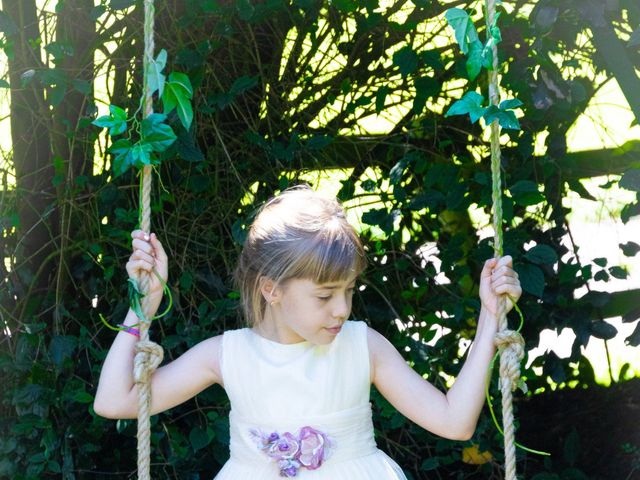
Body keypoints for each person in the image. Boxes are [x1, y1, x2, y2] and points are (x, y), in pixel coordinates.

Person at [94, 185, 522, 479]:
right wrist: (143, 306)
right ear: (271, 288)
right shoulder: (226, 356)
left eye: (349, 291)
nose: (342, 309)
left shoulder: (362, 346)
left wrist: (489, 318)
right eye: (324, 296)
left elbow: (454, 422)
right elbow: (115, 402)